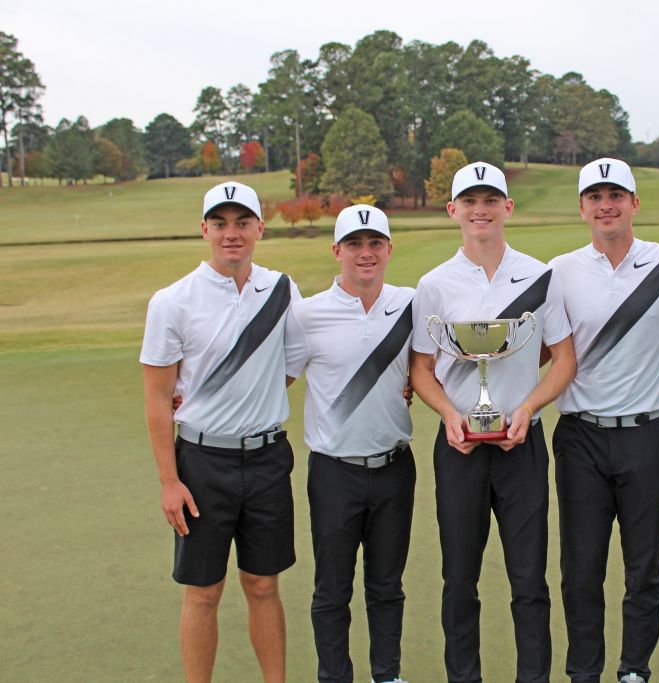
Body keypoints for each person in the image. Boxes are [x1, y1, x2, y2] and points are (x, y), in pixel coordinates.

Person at [409, 161, 576, 683]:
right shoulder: (434, 285)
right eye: (470, 201)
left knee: (530, 579)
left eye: (490, 201)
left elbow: (564, 359)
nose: (480, 210)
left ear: (508, 207)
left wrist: (528, 409)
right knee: (459, 579)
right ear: (453, 209)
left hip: (521, 446)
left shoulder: (539, 275)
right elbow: (421, 369)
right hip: (458, 447)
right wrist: (451, 416)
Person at [141, 181, 301, 683]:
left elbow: (292, 365)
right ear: (204, 229)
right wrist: (169, 481)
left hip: (268, 457)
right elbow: (155, 398)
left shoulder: (281, 290)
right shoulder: (172, 301)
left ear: (259, 228)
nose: (231, 234)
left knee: (262, 585)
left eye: (241, 223)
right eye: (220, 223)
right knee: (204, 591)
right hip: (202, 463)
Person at [548, 158, 659, 683]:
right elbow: (540, 351)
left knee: (643, 567)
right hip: (581, 438)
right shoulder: (561, 270)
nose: (605, 204)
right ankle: (584, 672)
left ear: (634, 203)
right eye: (594, 196)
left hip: (646, 434)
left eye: (615, 195)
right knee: (581, 570)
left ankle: (634, 668)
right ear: (583, 208)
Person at [285, 205, 415, 683]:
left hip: (395, 466)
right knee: (332, 589)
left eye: (375, 243)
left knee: (386, 585)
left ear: (388, 249)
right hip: (334, 470)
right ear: (337, 251)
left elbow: (433, 369)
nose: (366, 253)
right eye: (355, 245)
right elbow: (275, 378)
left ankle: (387, 674)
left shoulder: (411, 304)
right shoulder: (307, 315)